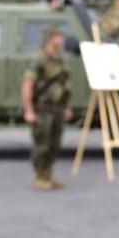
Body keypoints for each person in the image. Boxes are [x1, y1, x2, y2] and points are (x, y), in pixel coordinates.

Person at [21, 26, 72, 190]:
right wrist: (29, 110)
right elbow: (28, 85)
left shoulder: (60, 59)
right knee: (42, 143)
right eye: (59, 36)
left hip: (58, 108)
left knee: (54, 144)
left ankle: (48, 176)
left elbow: (65, 85)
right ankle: (40, 177)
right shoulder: (39, 59)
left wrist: (67, 107)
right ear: (50, 39)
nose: (62, 40)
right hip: (42, 108)